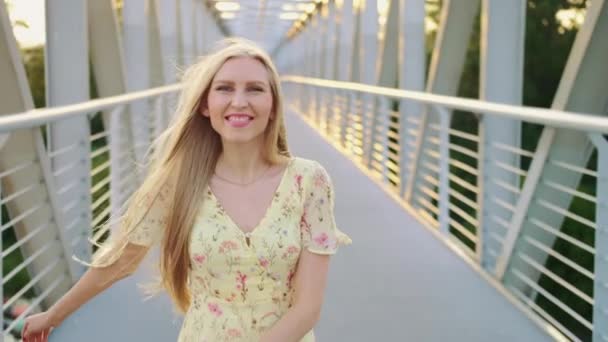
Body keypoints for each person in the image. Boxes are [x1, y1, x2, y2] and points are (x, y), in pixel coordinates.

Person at [21, 37, 351, 342]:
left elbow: (307, 309)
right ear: (205, 105)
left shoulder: (309, 181)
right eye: (224, 88)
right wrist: (53, 314)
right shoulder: (179, 181)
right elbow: (121, 260)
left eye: (254, 89)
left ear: (274, 107)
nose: (239, 101)